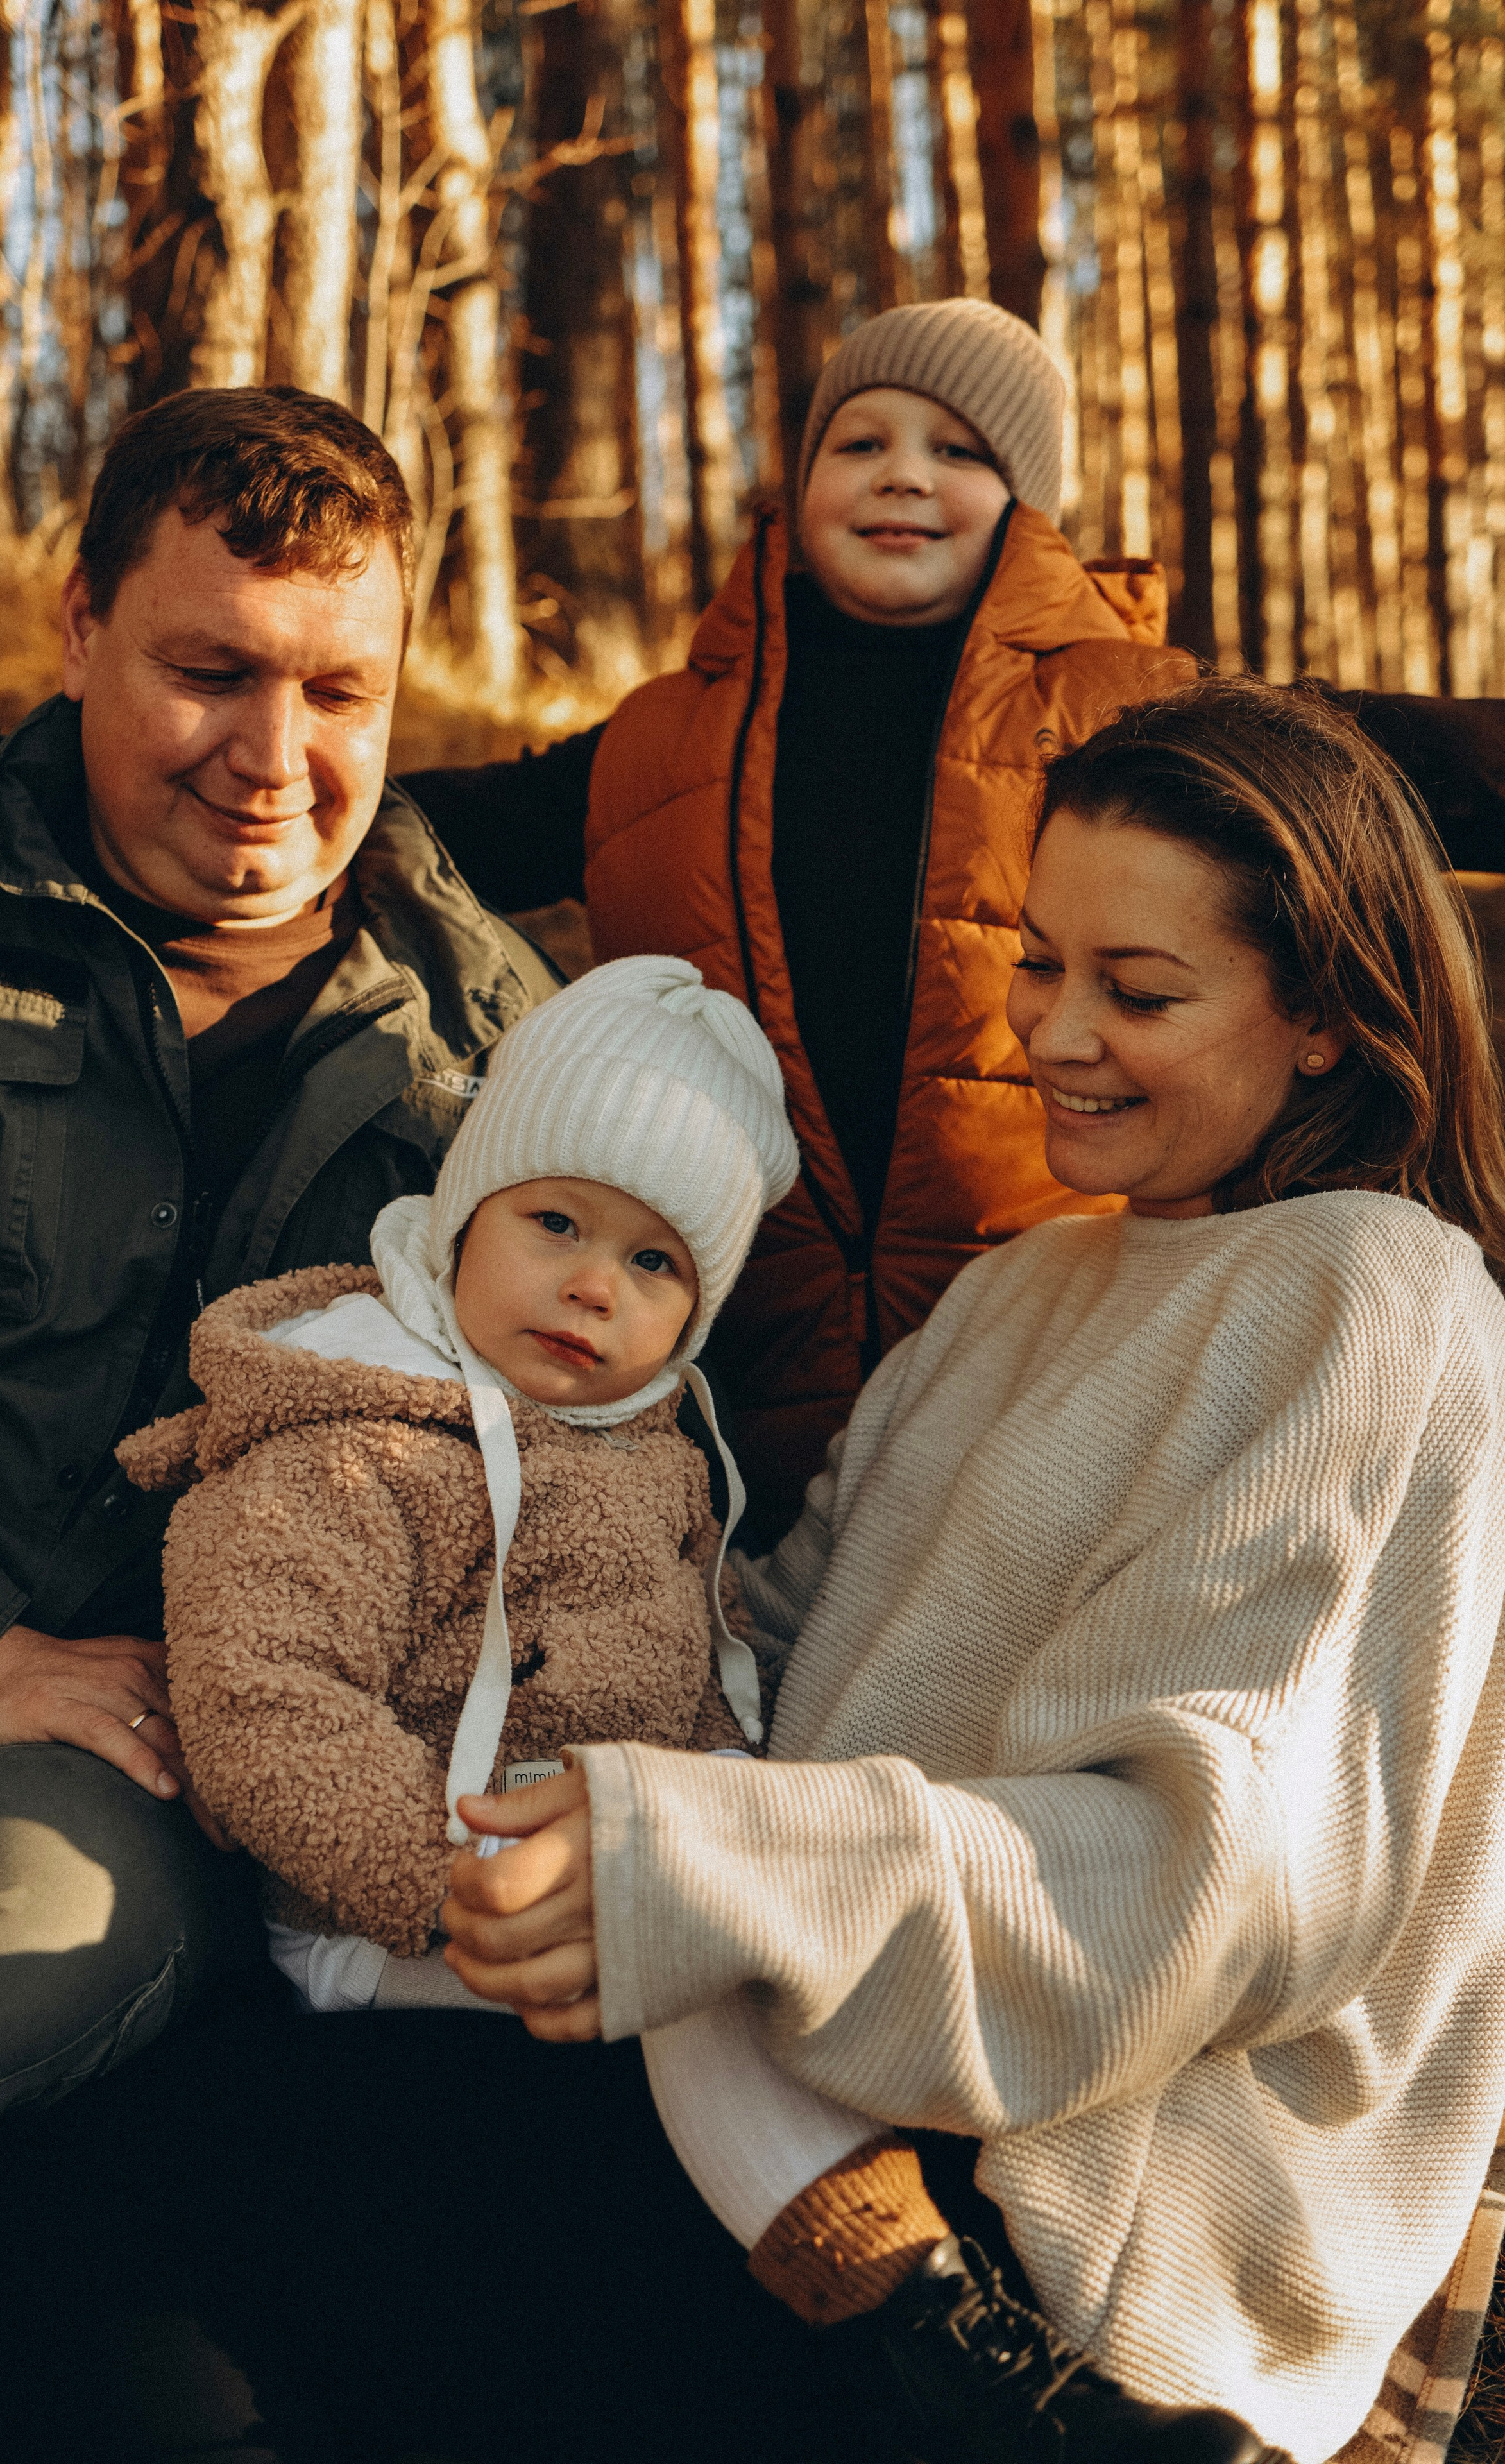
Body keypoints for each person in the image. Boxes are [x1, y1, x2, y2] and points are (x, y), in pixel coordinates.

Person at [428, 677, 1505, 2464]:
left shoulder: (1377, 1306)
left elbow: (1197, 1897)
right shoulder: (1026, 1289)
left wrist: (714, 1866)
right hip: (822, 2035)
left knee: (223, 2238)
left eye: (1139, 992)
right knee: (156, 2176)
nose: (1055, 1036)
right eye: (1043, 963)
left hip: (1075, 2235)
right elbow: (773, 1643)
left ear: (1323, 1018)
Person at [0, 383, 557, 2305]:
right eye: (209, 673)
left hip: (131, 1785)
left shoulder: (493, 1047)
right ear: (79, 626)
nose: (274, 758)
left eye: (339, 692)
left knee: (37, 1912)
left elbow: (606, 1447)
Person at [402, 297, 1197, 1530]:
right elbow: (437, 827)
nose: (904, 478)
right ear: (803, 481)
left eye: (959, 451)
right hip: (743, 1372)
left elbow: (1372, 773)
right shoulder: (666, 738)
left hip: (1055, 1344)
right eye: (860, 442)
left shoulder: (1131, 713)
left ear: (1028, 504)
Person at [114, 956, 798, 2009]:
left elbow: (704, 1668)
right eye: (556, 1224)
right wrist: (462, 1885)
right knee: (700, 2013)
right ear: (464, 1218)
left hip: (597, 1885)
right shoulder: (357, 1439)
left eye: (656, 1263)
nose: (593, 1286)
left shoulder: (659, 1455)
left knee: (779, 1969)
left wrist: (725, 1813)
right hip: (392, 1916)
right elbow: (263, 1697)